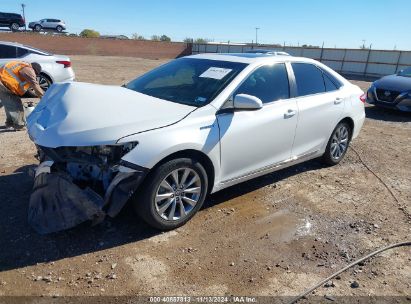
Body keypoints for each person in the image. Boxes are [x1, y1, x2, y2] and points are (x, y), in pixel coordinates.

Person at [0, 61, 44, 131]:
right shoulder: (28, 69)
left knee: (9, 104)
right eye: (36, 74)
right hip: (4, 83)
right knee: (16, 104)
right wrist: (43, 97)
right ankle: (19, 125)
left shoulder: (22, 65)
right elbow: (35, 85)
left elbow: (27, 88)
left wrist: (35, 95)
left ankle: (10, 123)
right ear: (35, 70)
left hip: (3, 82)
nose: (35, 75)